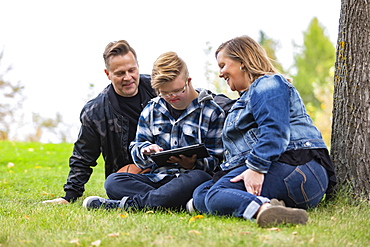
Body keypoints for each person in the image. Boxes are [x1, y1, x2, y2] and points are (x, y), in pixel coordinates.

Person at [191, 35, 337, 227]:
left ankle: (264, 210)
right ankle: (276, 206)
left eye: (223, 65)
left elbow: (274, 131)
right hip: (286, 173)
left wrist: (256, 167)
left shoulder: (267, 83)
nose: (220, 73)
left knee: (215, 195)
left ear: (242, 62)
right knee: (202, 194)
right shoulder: (244, 100)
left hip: (299, 169)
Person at [82, 51, 226, 210]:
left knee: (200, 177)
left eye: (177, 91)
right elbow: (137, 147)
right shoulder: (152, 109)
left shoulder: (212, 112)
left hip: (191, 178)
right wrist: (144, 150)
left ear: (188, 81)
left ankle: (127, 205)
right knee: (113, 182)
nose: (172, 97)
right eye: (165, 93)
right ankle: (175, 203)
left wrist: (192, 164)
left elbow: (216, 161)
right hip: (158, 178)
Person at [42, 40, 157, 204]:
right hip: (132, 178)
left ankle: (154, 198)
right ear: (107, 73)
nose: (128, 77)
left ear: (138, 66)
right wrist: (69, 196)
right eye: (119, 73)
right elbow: (83, 156)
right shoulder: (95, 111)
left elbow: (190, 102)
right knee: (113, 184)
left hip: (172, 167)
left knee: (196, 176)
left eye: (132, 70)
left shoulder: (159, 89)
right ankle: (171, 196)